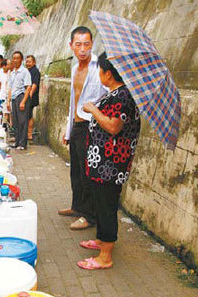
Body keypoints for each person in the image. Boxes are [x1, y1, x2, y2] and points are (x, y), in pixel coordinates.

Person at [77, 52, 141, 270]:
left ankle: (105, 256)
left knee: (106, 207)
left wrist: (94, 110)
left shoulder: (124, 97)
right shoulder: (114, 93)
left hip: (110, 166)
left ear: (108, 73)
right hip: (100, 163)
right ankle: (102, 241)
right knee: (100, 203)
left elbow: (114, 126)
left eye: (101, 70)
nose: (99, 74)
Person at [58, 26, 107, 231]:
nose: (83, 49)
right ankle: (77, 207)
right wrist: (68, 130)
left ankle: (89, 215)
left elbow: (108, 95)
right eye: (78, 44)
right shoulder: (74, 68)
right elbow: (73, 101)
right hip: (77, 125)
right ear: (71, 46)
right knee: (76, 171)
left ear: (92, 44)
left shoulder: (100, 68)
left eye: (87, 44)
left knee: (88, 172)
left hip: (92, 126)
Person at [8, 51, 32, 150]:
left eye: (18, 58)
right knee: (16, 122)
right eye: (14, 58)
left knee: (23, 122)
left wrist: (23, 101)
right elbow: (10, 88)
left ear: (21, 60)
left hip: (21, 97)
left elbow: (28, 87)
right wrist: (8, 101)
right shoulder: (12, 73)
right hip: (14, 98)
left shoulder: (25, 72)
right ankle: (17, 142)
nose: (15, 60)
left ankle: (22, 144)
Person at [25, 55, 41, 140]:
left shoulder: (35, 71)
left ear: (34, 62)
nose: (27, 63)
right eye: (26, 61)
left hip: (31, 97)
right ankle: (27, 133)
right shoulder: (27, 71)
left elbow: (34, 85)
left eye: (29, 61)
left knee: (29, 115)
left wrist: (30, 95)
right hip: (27, 96)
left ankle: (29, 134)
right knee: (27, 115)